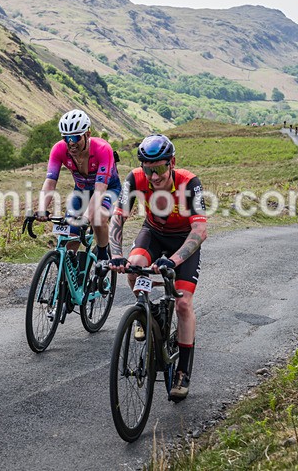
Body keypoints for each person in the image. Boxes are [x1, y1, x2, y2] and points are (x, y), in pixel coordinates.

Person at [108, 134, 207, 402]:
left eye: (160, 168)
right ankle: (145, 313)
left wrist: (173, 261)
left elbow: (199, 230)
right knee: (134, 266)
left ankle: (182, 372)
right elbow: (118, 218)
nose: (153, 176)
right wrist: (116, 255)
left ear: (172, 163)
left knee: (183, 304)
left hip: (183, 240)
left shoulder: (189, 183)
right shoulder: (135, 178)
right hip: (153, 233)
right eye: (148, 169)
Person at [37, 109, 121, 262]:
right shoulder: (59, 149)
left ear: (87, 134)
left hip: (108, 189)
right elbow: (50, 182)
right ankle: (71, 276)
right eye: (66, 137)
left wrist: (86, 217)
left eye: (75, 137)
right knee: (71, 234)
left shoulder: (102, 149)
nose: (71, 142)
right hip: (81, 191)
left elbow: (100, 190)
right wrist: (41, 209)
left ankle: (103, 255)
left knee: (97, 218)